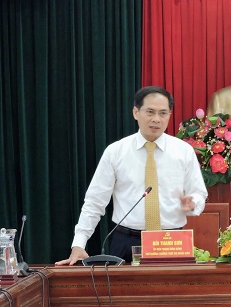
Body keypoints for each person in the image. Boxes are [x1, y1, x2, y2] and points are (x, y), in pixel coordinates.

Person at [56, 86, 208, 265]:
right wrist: (79, 243)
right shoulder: (116, 152)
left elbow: (199, 193)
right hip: (126, 242)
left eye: (163, 113)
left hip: (171, 241)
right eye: (150, 112)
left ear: (169, 115)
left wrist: (193, 203)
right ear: (135, 112)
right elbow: (94, 202)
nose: (156, 119)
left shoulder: (183, 151)